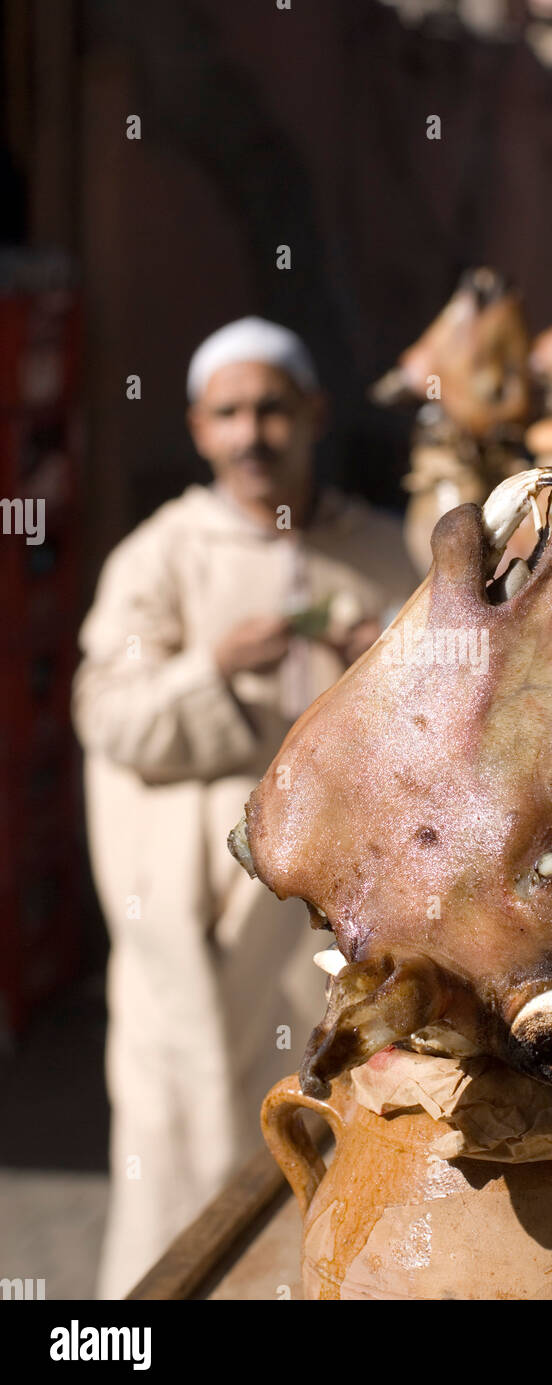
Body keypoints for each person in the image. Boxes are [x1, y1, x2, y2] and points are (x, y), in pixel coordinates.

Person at [72, 317, 417, 1299]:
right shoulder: (159, 559)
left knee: (347, 1153)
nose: (251, 431)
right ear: (197, 428)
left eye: (270, 407)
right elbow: (110, 717)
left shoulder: (386, 558)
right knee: (185, 1169)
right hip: (196, 946)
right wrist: (214, 670)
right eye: (228, 412)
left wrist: (377, 669)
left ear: (313, 415)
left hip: (338, 943)